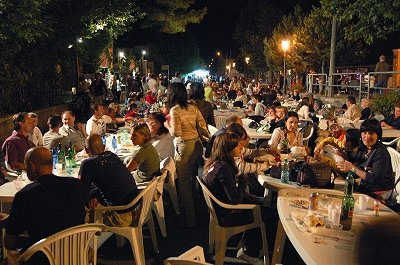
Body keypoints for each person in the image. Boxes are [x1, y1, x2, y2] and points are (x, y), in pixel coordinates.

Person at [5, 147, 85, 257]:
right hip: (76, 253)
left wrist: (7, 225)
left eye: (26, 165)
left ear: (32, 166)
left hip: (43, 257)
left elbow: (9, 242)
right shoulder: (76, 185)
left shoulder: (25, 195)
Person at [202, 133, 269, 263]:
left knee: (264, 202)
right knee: (270, 211)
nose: (241, 147)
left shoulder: (214, 162)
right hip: (228, 214)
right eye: (237, 145)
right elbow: (234, 200)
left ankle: (247, 243)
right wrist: (243, 181)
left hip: (220, 208)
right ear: (228, 149)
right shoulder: (224, 169)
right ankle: (249, 252)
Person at [165, 82, 209, 227]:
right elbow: (203, 126)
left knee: (183, 184)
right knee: (194, 180)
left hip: (184, 147)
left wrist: (167, 125)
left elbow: (176, 132)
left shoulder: (175, 110)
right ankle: (199, 211)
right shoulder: (193, 107)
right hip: (197, 145)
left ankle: (190, 220)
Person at [79, 134, 139, 227]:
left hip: (122, 216)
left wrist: (91, 197)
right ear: (104, 147)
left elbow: (82, 192)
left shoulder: (88, 164)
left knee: (81, 214)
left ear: (86, 150)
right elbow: (110, 183)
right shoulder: (113, 156)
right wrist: (94, 196)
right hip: (138, 208)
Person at [336, 119, 394, 196]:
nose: (367, 136)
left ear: (378, 135)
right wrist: (343, 155)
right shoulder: (365, 147)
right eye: (364, 133)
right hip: (365, 186)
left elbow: (375, 179)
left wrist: (353, 168)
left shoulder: (381, 153)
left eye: (371, 133)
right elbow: (355, 160)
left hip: (379, 191)